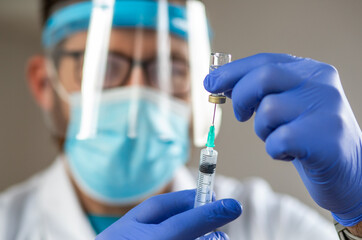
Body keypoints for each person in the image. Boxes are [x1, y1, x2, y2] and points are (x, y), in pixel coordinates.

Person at [0, 0, 361, 239]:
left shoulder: (267, 222)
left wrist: (358, 216)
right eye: (105, 66)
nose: (139, 90)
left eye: (170, 67)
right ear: (44, 83)